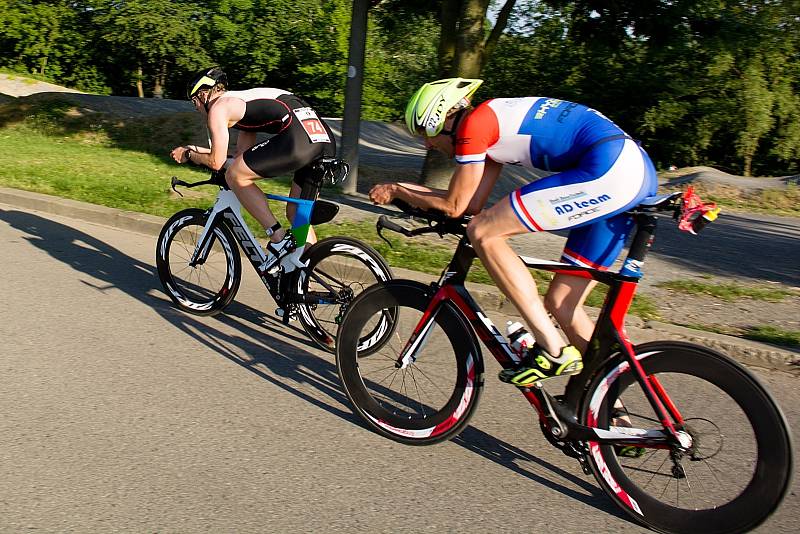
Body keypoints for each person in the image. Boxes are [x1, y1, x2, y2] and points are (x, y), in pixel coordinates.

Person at [369, 78, 658, 387]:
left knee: (484, 233)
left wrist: (397, 189)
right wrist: (403, 193)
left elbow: (454, 206)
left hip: (610, 169)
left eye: (429, 133)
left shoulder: (473, 128)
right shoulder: (488, 125)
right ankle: (609, 408)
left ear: (448, 119)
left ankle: (553, 348)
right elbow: (471, 203)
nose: (428, 144)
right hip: (629, 170)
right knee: (562, 304)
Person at [170, 66, 336, 258]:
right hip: (321, 139)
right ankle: (305, 272)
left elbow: (217, 163)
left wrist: (189, 155)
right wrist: (196, 150)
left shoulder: (218, 108)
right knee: (297, 213)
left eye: (194, 102)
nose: (197, 108)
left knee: (235, 176)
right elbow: (238, 157)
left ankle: (277, 237)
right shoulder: (243, 104)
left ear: (203, 94)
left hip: (298, 139)